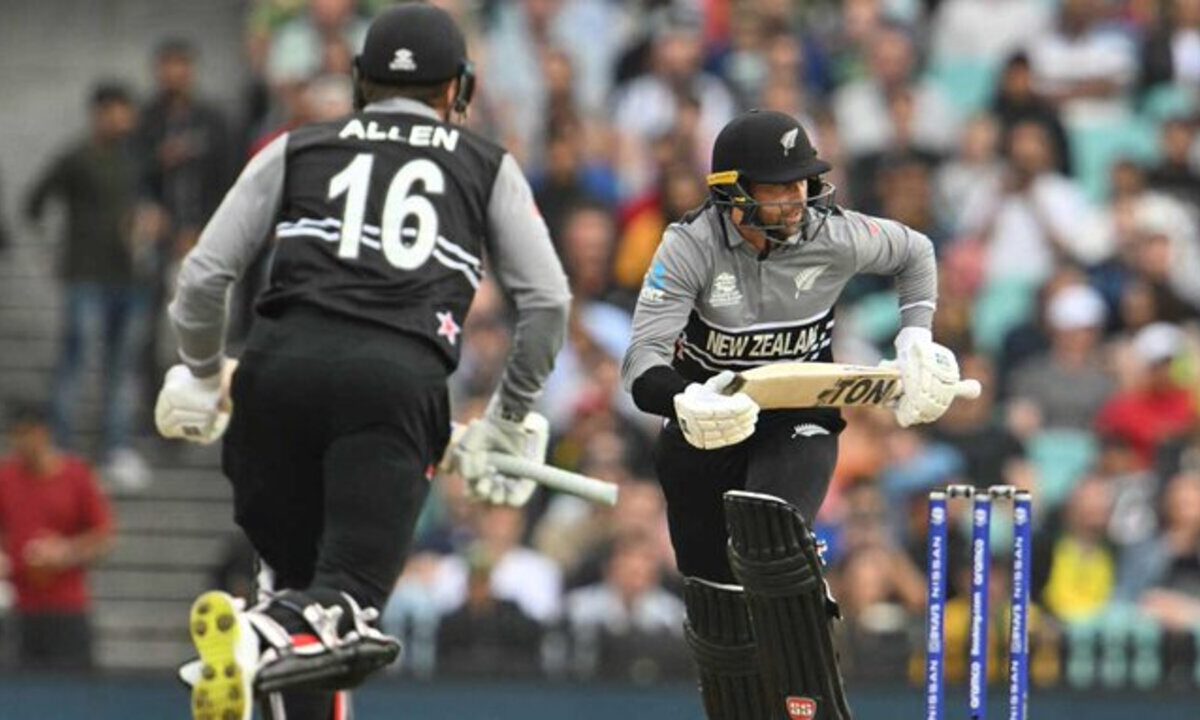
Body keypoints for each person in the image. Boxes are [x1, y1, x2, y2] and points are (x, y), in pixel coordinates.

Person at [153, 4, 571, 720]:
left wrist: (198, 371)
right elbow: (549, 304)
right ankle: (258, 634)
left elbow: (202, 278)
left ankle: (264, 637)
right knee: (346, 606)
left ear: (359, 80)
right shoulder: (484, 162)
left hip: (276, 368)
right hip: (392, 378)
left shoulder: (298, 145)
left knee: (302, 602)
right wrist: (507, 416)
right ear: (457, 89)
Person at [621, 109, 968, 720]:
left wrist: (916, 337)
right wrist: (682, 398)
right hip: (711, 422)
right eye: (776, 187)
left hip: (798, 415)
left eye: (801, 182)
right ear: (733, 191)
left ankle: (813, 700)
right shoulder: (689, 246)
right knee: (715, 596)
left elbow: (915, 251)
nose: (795, 199)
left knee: (770, 529)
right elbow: (642, 360)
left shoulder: (833, 233)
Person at [24, 82, 152, 490]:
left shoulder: (138, 159)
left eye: (126, 111)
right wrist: (51, 252)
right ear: (98, 113)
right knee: (76, 358)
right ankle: (61, 442)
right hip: (85, 275)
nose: (121, 119)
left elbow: (152, 207)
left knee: (122, 365)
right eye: (114, 111)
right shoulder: (76, 158)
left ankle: (116, 446)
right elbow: (35, 203)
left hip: (130, 276)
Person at [0, 401, 115, 670]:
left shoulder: (76, 476)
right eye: (16, 435)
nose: (21, 443)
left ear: (43, 433)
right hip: (21, 607)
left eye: (26, 434)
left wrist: (66, 552)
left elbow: (104, 536)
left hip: (67, 607)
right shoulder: (6, 479)